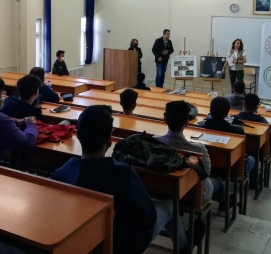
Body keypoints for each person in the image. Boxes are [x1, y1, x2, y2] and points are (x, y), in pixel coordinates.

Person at [53, 105, 202, 254]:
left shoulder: (61, 173)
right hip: (124, 244)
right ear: (109, 141)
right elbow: (147, 215)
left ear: (79, 136)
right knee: (170, 205)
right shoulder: (121, 172)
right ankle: (184, 245)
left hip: (87, 243)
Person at [154, 101, 225, 212]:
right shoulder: (199, 148)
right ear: (186, 123)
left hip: (162, 188)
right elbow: (206, 173)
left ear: (165, 120)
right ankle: (223, 208)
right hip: (193, 193)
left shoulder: (154, 141)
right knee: (219, 181)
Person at [198, 97, 256, 190]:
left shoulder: (200, 126)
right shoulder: (237, 130)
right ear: (227, 113)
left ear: (210, 110)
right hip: (232, 169)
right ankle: (254, 184)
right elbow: (242, 152)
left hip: (207, 166)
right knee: (252, 158)